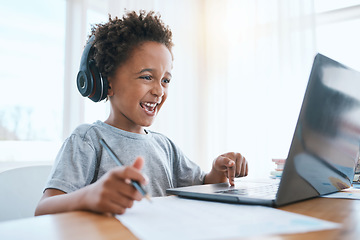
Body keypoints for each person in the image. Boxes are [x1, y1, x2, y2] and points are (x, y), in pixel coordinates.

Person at [35, 10, 248, 216]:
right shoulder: (88, 140)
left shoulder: (166, 147)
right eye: (147, 77)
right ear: (107, 83)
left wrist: (218, 173)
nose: (158, 91)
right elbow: (43, 209)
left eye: (165, 80)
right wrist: (88, 196)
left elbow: (202, 186)